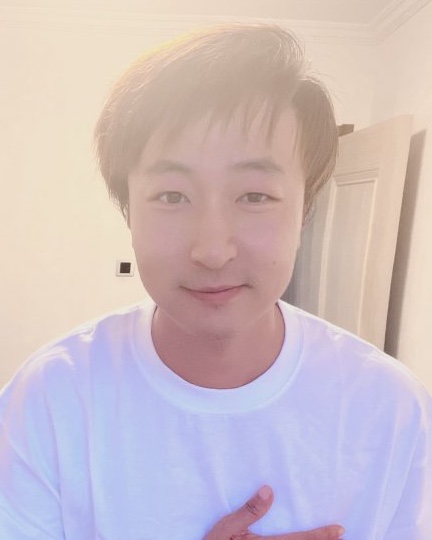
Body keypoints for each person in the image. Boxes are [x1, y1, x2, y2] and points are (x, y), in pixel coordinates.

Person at [1, 23, 431, 540]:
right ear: (128, 210)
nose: (211, 250)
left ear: (305, 209)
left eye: (254, 196)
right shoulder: (52, 398)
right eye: (172, 196)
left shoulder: (389, 407)